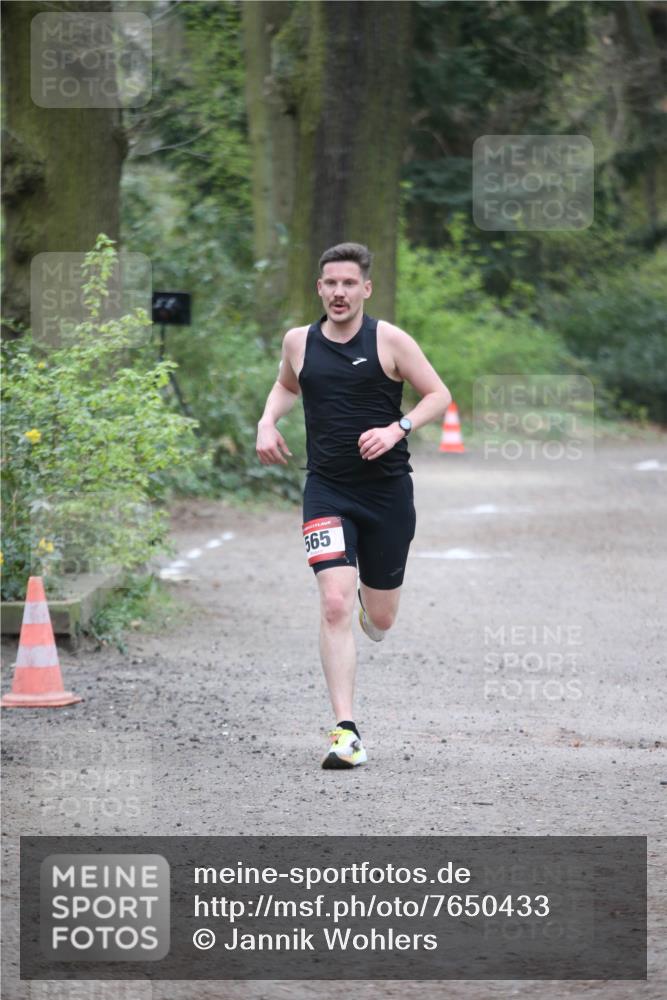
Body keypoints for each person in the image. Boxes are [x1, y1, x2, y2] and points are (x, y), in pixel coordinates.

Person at [256, 242, 451, 769]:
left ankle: (374, 604)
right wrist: (266, 421)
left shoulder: (389, 340)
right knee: (334, 603)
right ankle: (346, 732)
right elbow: (284, 385)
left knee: (380, 618)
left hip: (386, 493)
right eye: (330, 284)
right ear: (319, 289)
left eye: (348, 284)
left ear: (365, 288)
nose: (339, 292)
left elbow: (438, 394)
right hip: (327, 490)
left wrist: (397, 428)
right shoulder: (299, 342)